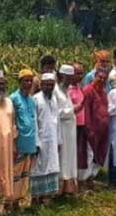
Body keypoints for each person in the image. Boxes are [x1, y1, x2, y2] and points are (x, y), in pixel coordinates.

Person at [0, 69, 18, 213]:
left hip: (7, 145)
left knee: (6, 174)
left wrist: (14, 145)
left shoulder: (9, 102)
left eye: (2, 84)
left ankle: (4, 203)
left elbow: (12, 124)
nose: (0, 87)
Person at [31, 73, 61, 205]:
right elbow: (34, 123)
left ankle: (46, 196)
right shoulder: (36, 99)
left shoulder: (54, 99)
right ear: (41, 85)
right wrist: (36, 142)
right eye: (47, 84)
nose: (49, 87)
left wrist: (59, 139)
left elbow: (57, 121)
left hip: (53, 139)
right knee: (39, 168)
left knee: (51, 167)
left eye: (52, 85)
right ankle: (35, 198)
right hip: (41, 140)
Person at [10, 69, 38, 208]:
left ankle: (19, 199)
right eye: (25, 81)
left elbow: (34, 121)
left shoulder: (32, 100)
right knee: (15, 173)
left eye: (30, 81)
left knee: (25, 174)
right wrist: (14, 144)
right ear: (19, 82)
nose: (28, 83)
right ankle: (11, 201)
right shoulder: (13, 98)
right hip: (19, 142)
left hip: (30, 142)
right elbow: (12, 122)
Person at [81, 68, 110, 188]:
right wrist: (88, 129)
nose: (102, 80)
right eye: (100, 77)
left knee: (100, 154)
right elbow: (86, 111)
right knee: (89, 155)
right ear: (94, 77)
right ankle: (83, 180)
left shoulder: (103, 92)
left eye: (104, 78)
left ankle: (91, 178)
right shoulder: (88, 91)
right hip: (92, 130)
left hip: (102, 130)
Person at [57, 65, 79, 196]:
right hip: (62, 130)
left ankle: (68, 188)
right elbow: (57, 113)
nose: (70, 80)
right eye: (67, 77)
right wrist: (73, 110)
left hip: (70, 130)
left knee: (69, 157)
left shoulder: (66, 91)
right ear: (61, 76)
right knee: (62, 158)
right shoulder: (55, 91)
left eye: (71, 78)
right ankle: (60, 189)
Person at [69, 63, 89, 187]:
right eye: (77, 73)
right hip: (72, 125)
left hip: (82, 125)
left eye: (82, 73)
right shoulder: (68, 90)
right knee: (72, 153)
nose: (80, 76)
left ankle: (77, 179)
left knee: (80, 154)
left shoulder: (80, 87)